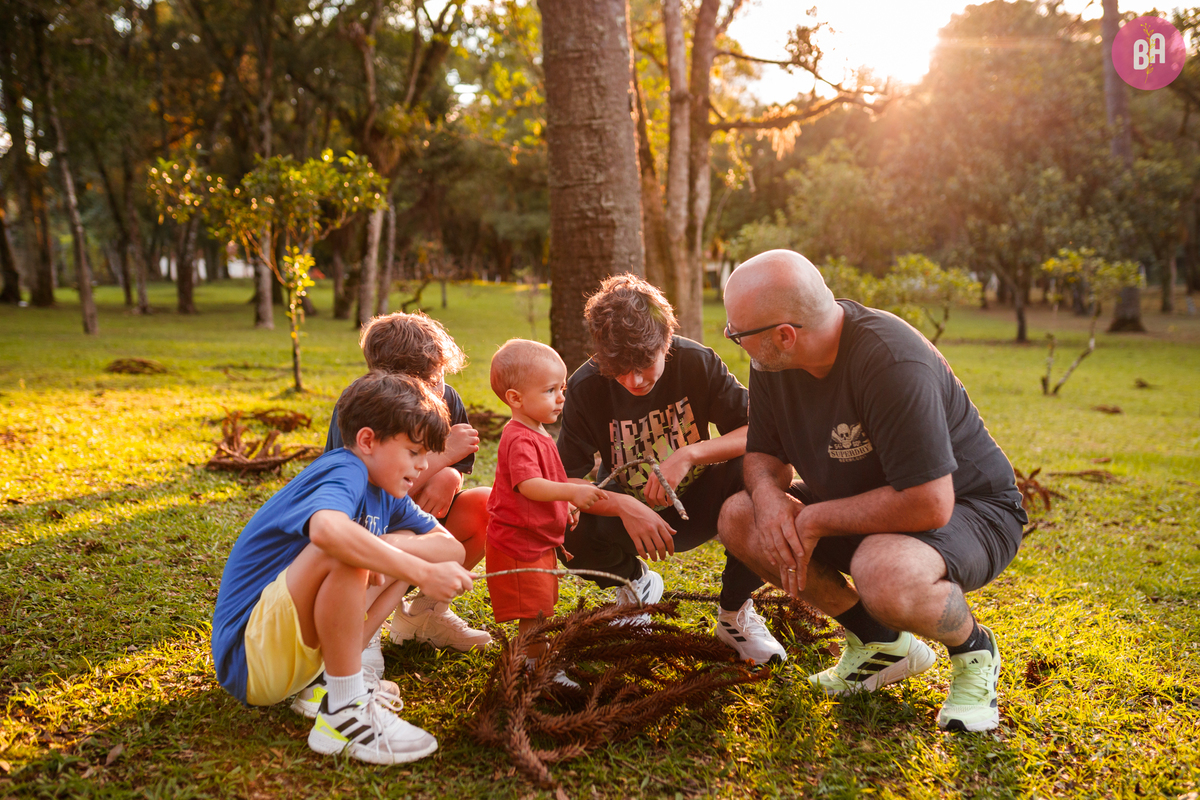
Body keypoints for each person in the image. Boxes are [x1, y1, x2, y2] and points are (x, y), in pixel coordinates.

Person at [718, 250, 1028, 732]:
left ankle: (974, 652)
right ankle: (880, 643)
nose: (735, 342)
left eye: (737, 334)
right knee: (740, 517)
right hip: (861, 502)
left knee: (882, 571)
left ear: (785, 335)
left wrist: (813, 519)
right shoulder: (774, 362)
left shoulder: (892, 362)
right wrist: (769, 497)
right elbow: (763, 452)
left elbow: (930, 502)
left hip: (970, 508)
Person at [211, 371, 477, 763]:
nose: (423, 466)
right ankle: (344, 712)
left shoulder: (389, 493)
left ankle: (329, 685)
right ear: (367, 441)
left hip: (292, 658)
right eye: (413, 452)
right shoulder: (344, 468)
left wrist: (391, 546)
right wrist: (418, 570)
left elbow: (450, 549)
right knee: (350, 548)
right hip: (248, 656)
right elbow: (326, 531)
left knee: (388, 546)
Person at [557, 274, 786, 663]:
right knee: (561, 523)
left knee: (770, 469)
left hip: (701, 503)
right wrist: (624, 506)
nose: (634, 380)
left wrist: (689, 455)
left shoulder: (696, 362)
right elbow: (567, 481)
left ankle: (735, 612)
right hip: (627, 519)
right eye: (620, 369)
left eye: (645, 364)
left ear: (666, 341)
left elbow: (760, 432)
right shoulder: (586, 387)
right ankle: (637, 585)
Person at [326, 311, 491, 652]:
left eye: (439, 377)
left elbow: (458, 465)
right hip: (368, 532)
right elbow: (370, 493)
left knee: (486, 506)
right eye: (429, 381)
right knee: (399, 537)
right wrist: (443, 458)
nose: (437, 389)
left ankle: (425, 615)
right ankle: (362, 627)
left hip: (418, 524)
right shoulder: (361, 410)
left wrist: (451, 474)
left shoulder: (447, 399)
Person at [485, 339, 607, 685]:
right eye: (550, 390)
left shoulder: (536, 431)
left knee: (541, 604)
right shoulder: (519, 438)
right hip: (519, 544)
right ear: (515, 398)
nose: (561, 398)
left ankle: (533, 657)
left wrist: (563, 504)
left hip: (536, 541)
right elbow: (529, 486)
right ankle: (534, 668)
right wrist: (572, 491)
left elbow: (546, 481)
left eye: (562, 388)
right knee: (535, 611)